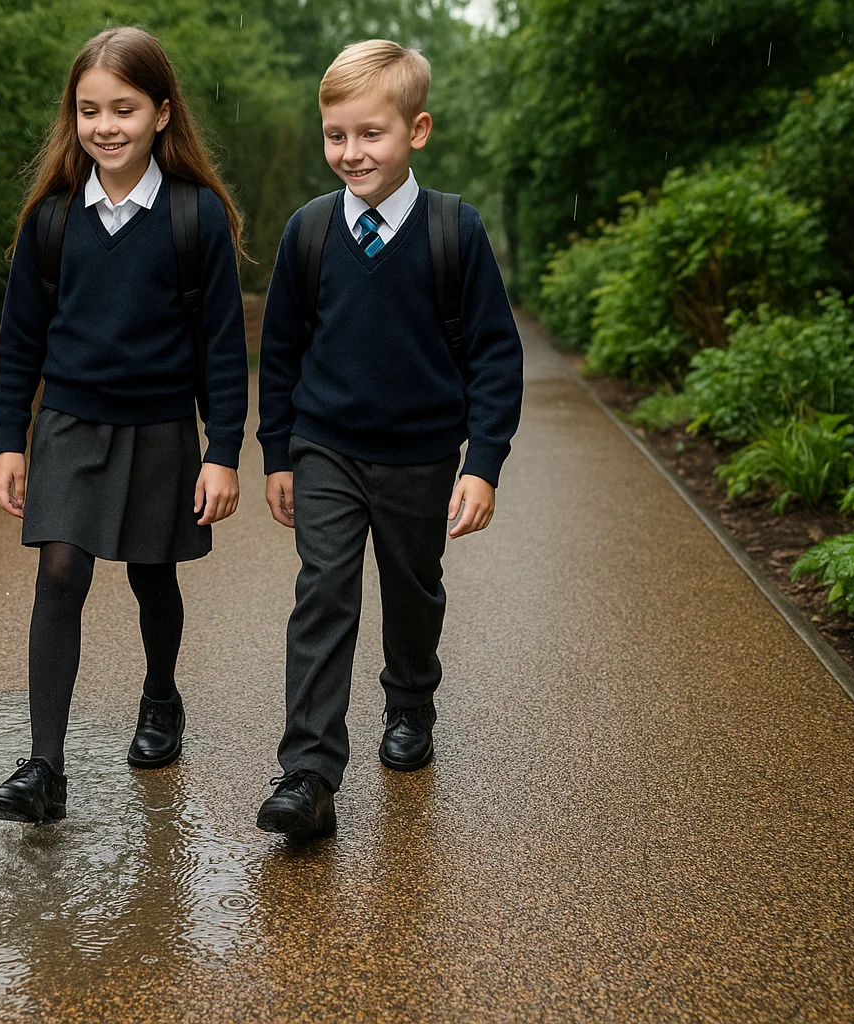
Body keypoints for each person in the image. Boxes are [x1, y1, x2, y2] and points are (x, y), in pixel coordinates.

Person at [254, 39, 524, 839]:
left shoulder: (454, 230)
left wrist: (484, 463)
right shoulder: (307, 234)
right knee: (323, 593)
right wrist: (277, 454)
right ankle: (309, 772)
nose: (351, 152)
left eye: (371, 133)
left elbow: (495, 355)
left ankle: (410, 700)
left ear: (418, 130)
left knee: (413, 590)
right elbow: (280, 354)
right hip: (327, 446)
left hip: (422, 452)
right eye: (336, 134)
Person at [0, 26, 250, 825]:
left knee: (150, 573)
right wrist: (8, 439)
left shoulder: (194, 218)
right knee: (60, 569)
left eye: (124, 110)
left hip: (162, 428)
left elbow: (223, 351)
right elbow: (20, 339)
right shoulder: (53, 220)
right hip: (69, 424)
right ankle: (45, 767)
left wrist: (223, 451)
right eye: (89, 109)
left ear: (162, 114)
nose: (106, 126)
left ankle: (161, 694)